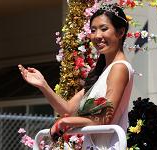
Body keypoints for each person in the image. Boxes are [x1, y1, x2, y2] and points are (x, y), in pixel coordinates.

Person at [18, 3, 134, 150]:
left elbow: (105, 118)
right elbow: (68, 110)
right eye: (93, 30)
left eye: (104, 29)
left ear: (121, 32)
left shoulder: (119, 68)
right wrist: (43, 85)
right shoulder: (102, 72)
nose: (97, 36)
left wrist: (66, 122)